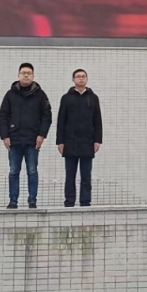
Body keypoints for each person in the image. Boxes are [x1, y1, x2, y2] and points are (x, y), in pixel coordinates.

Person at [0, 63, 52, 209]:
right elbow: (3, 116)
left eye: (29, 73)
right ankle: (13, 201)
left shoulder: (40, 95)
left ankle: (32, 201)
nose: (26, 75)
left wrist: (42, 135)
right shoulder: (10, 95)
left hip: (32, 140)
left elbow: (47, 116)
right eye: (23, 73)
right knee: (13, 171)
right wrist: (5, 136)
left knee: (32, 171)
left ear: (33, 76)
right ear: (18, 75)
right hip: (14, 140)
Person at [56, 69, 103, 207]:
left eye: (83, 76)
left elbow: (97, 120)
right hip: (70, 141)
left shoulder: (93, 98)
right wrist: (60, 141)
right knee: (70, 175)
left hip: (87, 141)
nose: (81, 79)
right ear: (73, 79)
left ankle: (85, 201)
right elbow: (61, 121)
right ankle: (69, 201)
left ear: (87, 79)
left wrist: (97, 140)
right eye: (78, 76)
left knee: (86, 175)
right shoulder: (66, 98)